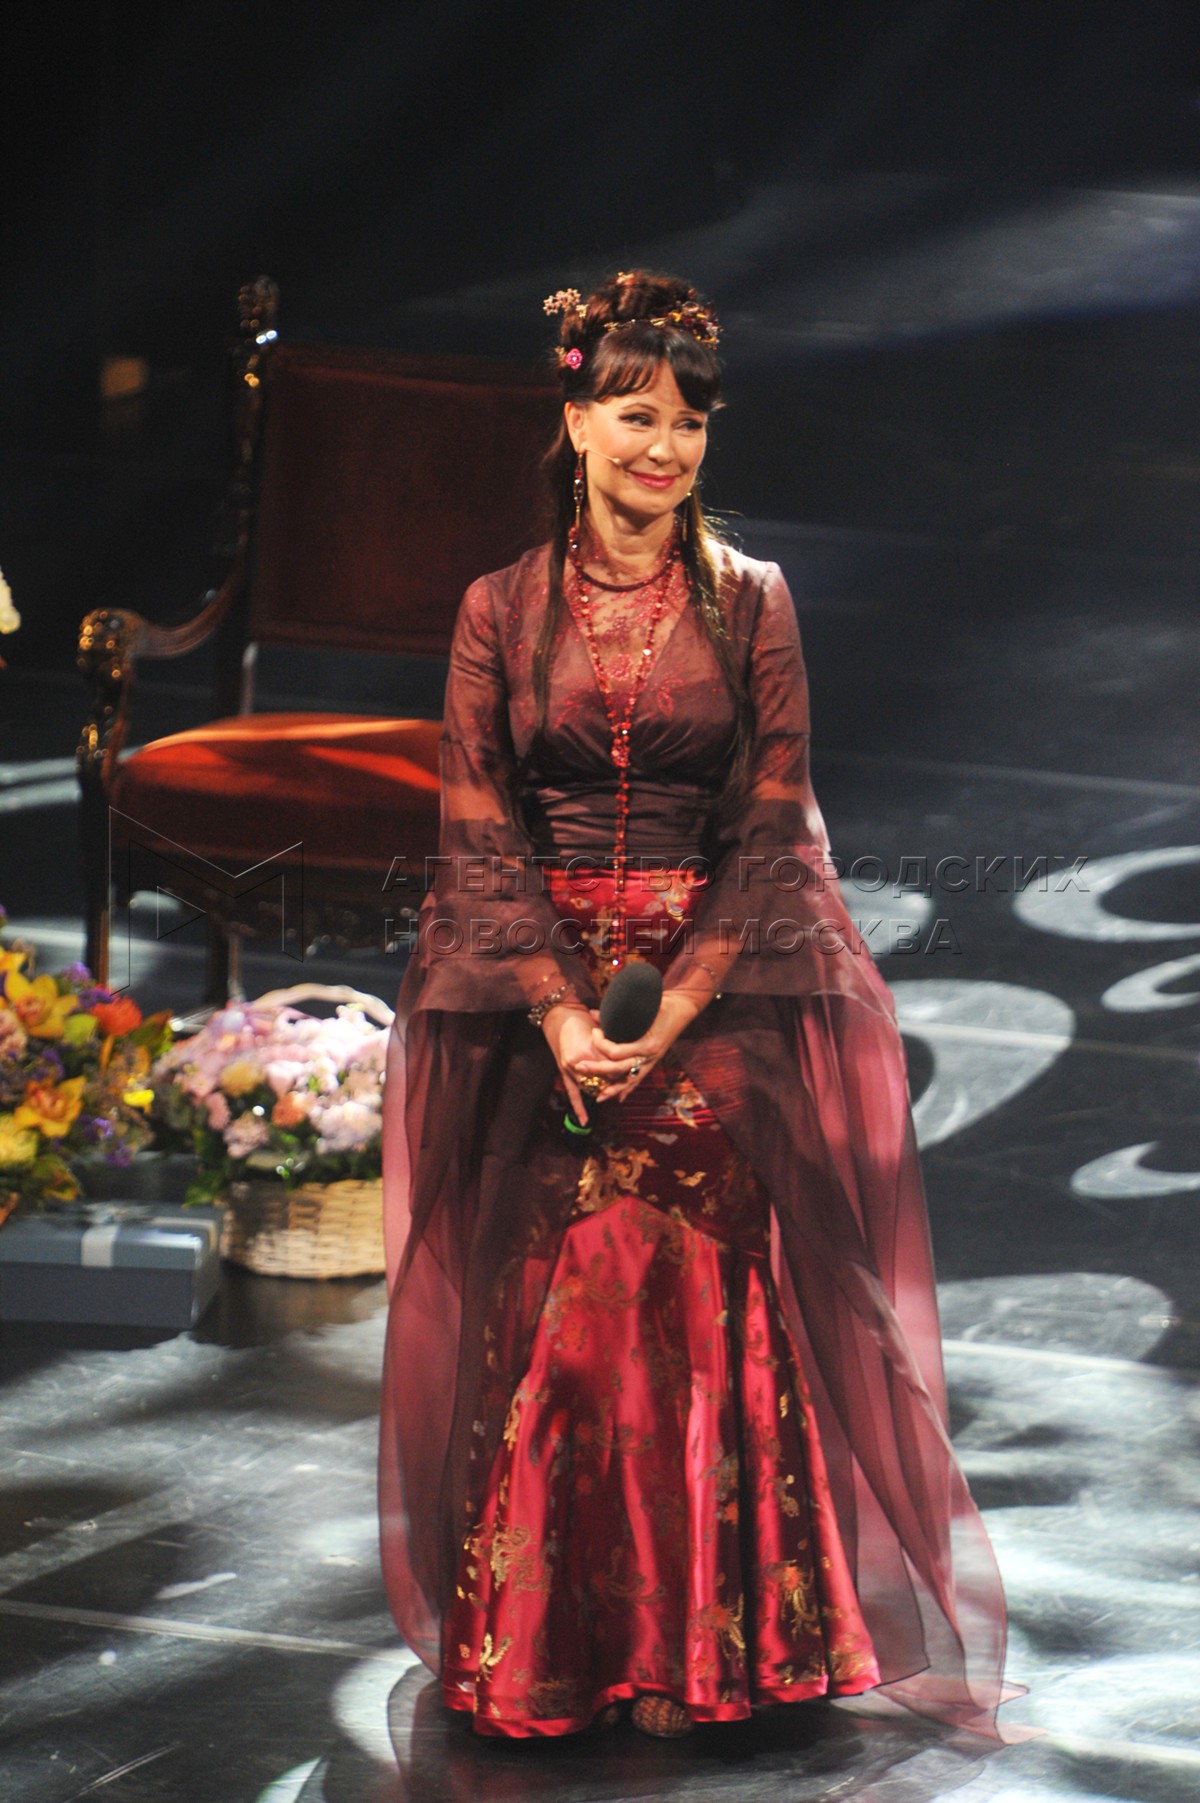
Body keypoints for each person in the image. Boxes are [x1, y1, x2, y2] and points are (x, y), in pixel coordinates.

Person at [378, 270, 1022, 1743]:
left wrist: (668, 1017)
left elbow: (773, 830)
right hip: (538, 985)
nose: (663, 448)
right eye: (635, 417)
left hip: (712, 982)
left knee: (681, 1268)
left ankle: (711, 1647)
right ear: (576, 423)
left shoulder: (752, 602)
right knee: (559, 1290)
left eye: (688, 422)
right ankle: (564, 1643)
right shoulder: (499, 610)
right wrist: (559, 1016)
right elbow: (478, 833)